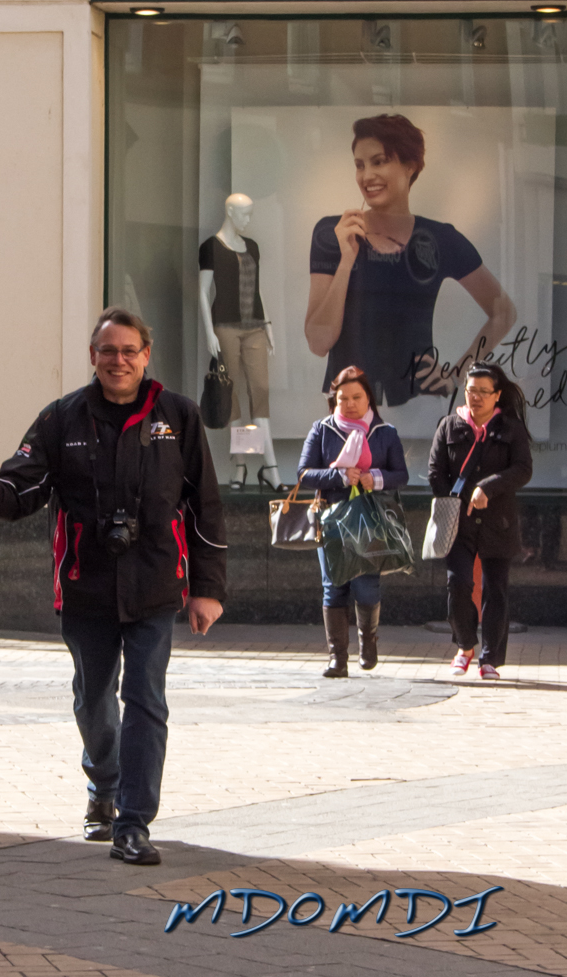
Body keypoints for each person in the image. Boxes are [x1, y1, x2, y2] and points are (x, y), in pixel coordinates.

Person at [0, 308, 227, 865]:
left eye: (129, 351)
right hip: (86, 585)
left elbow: (205, 508)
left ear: (147, 355)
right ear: (92, 356)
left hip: (154, 586)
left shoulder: (178, 416)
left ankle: (133, 821)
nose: (118, 360)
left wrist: (207, 588)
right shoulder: (61, 419)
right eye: (107, 351)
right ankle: (103, 784)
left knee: (146, 699)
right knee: (93, 698)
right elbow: (20, 489)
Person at [304, 113, 517, 408]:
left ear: (409, 166)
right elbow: (318, 343)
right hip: (348, 410)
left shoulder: (440, 238)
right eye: (359, 165)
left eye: (379, 162)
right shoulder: (333, 234)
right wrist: (346, 260)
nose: (366, 176)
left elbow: (503, 312)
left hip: (418, 406)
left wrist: (456, 376)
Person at [298, 366, 409, 678]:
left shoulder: (385, 433)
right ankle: (337, 658)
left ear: (368, 398)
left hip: (371, 520)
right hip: (331, 518)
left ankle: (368, 641)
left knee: (367, 586)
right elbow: (304, 474)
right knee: (334, 587)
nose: (348, 404)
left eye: (356, 397)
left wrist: (375, 478)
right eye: (342, 398)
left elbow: (401, 475)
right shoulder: (322, 430)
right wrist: (339, 476)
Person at [428, 361, 533, 681]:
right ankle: (465, 644)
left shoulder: (510, 429)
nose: (475, 398)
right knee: (458, 584)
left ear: (497, 395)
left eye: (483, 392)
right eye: (470, 391)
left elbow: (523, 470)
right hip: (458, 521)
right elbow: (435, 471)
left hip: (498, 521)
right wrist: (453, 501)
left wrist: (487, 488)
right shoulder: (449, 425)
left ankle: (490, 658)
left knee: (495, 590)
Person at [199, 193, 287, 492]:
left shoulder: (252, 247)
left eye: (251, 214)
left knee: (260, 390)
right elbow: (203, 292)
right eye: (245, 215)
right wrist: (209, 331)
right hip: (224, 326)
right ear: (230, 212)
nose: (249, 221)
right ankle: (240, 464)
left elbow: (257, 289)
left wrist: (268, 324)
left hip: (254, 328)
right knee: (231, 393)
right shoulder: (211, 247)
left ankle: (270, 464)